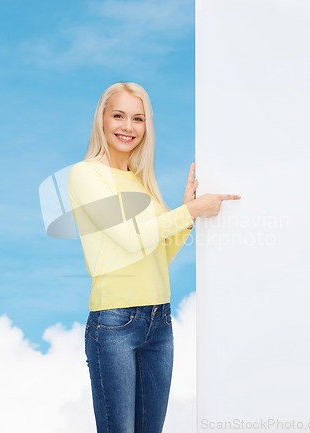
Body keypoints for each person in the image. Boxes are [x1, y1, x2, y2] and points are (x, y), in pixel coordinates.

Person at [67, 82, 240, 433]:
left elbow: (157, 254)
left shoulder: (143, 182)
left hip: (159, 321)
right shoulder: (86, 175)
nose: (128, 127)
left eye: (138, 118)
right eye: (118, 116)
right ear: (101, 119)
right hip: (114, 323)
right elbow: (131, 240)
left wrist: (188, 214)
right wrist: (188, 210)